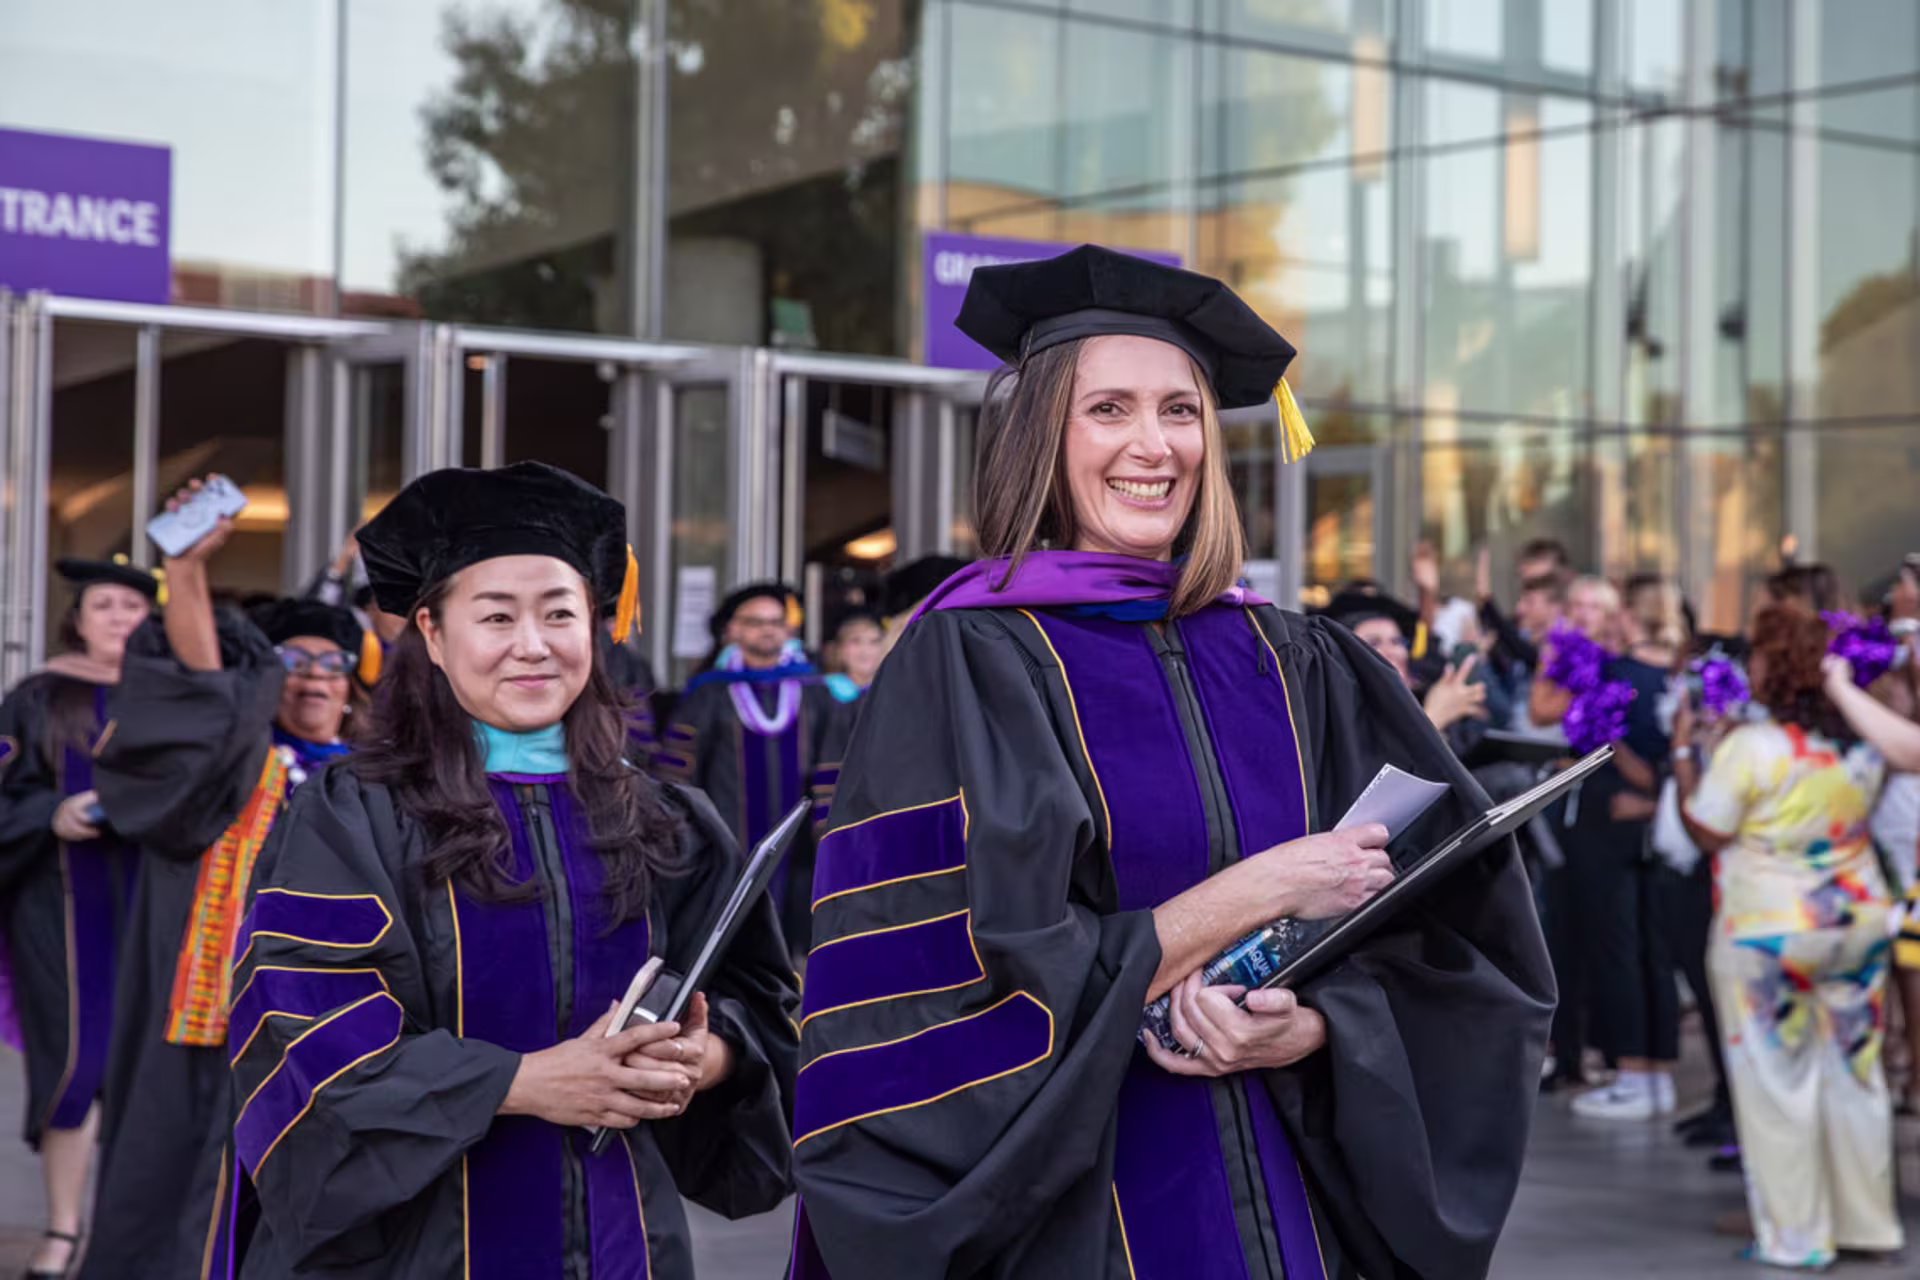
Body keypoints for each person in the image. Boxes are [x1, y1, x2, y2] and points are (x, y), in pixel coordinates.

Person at [788, 246, 1553, 1280]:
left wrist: (1323, 1028)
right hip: (1078, 1216)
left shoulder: (1299, 659)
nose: (1154, 445)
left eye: (1180, 410)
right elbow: (930, 991)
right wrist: (1248, 896)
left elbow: (1465, 946)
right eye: (1107, 409)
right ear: (1039, 437)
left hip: (1292, 1205)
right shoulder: (968, 658)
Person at [230, 461, 798, 1277]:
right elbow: (310, 1010)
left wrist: (704, 1060)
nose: (532, 646)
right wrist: (521, 1082)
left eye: (560, 614)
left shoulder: (665, 818)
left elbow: (757, 1002)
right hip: (411, 1246)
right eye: (496, 617)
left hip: (619, 1240)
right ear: (431, 631)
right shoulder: (356, 811)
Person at [76, 490, 289, 1280]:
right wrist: (185, 569)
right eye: (293, 665)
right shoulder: (237, 760)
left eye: (336, 668)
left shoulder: (370, 771)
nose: (317, 683)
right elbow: (208, 693)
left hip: (323, 1017)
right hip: (207, 998)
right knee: (177, 1177)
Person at [1676, 606, 1903, 1270]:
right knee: (1857, 1077)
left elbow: (1708, 829)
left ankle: (1797, 1239)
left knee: (1776, 1085)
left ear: (1771, 666)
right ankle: (1868, 1225)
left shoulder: (1754, 746)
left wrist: (1688, 756)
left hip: (1767, 933)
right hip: (1855, 925)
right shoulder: (1860, 742)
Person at [0, 558, 156, 1278]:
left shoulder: (171, 693)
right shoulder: (38, 695)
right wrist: (49, 813)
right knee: (74, 1061)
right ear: (78, 618)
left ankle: (132, 1233)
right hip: (57, 902)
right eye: (105, 606)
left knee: (148, 1071)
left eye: (132, 606)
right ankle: (62, 1229)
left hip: (154, 899)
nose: (120, 617)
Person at [656, 583, 848, 949]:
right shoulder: (707, 694)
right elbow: (677, 771)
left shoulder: (816, 691)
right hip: (728, 838)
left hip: (801, 843)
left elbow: (836, 765)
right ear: (732, 629)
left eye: (777, 622)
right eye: (756, 621)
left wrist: (831, 831)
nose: (768, 629)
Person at [1564, 578, 1685, 1121]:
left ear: (1629, 618)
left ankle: (1633, 1072)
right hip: (1657, 829)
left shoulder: (1617, 674)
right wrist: (1661, 793)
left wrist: (1635, 781)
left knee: (1617, 947)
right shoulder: (1678, 677)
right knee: (1652, 948)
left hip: (1611, 825)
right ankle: (1656, 1073)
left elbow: (1596, 741)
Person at [248, 597, 364, 785]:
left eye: (333, 663)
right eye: (295, 661)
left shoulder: (375, 773)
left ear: (350, 689)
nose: (315, 672)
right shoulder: (241, 761)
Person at [821, 610, 884, 703]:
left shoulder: (890, 692)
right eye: (856, 642)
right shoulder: (821, 692)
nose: (865, 651)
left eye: (874, 642)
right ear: (840, 649)